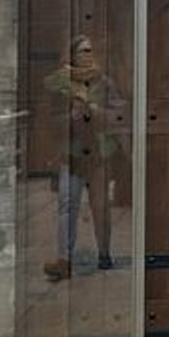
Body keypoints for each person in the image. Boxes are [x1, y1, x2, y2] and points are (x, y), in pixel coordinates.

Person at [41, 34, 119, 279]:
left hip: (98, 153)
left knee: (101, 206)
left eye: (90, 50)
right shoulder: (60, 83)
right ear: (72, 54)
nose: (87, 55)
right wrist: (70, 117)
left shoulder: (104, 83)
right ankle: (64, 260)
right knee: (67, 205)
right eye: (82, 51)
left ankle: (105, 254)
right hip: (71, 153)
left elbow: (118, 113)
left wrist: (96, 111)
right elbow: (49, 118)